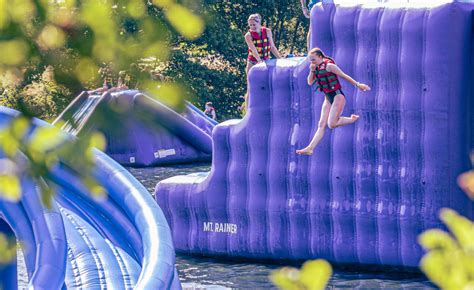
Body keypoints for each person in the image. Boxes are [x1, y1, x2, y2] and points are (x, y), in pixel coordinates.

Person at [296, 47, 370, 156]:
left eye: (313, 59)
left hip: (337, 96)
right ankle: (310, 148)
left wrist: (359, 85)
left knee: (332, 124)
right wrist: (312, 70)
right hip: (328, 97)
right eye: (310, 60)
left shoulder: (329, 66)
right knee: (321, 124)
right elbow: (310, 82)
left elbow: (344, 76)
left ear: (320, 57)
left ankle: (352, 119)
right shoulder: (314, 67)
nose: (312, 62)